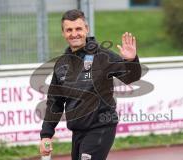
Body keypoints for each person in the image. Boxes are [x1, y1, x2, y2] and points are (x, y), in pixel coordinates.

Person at [39, 9, 141, 160]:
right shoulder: (61, 64)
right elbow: (55, 102)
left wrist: (131, 61)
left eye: (78, 28)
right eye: (69, 30)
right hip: (78, 131)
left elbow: (131, 77)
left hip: (100, 128)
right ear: (63, 33)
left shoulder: (102, 56)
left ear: (86, 29)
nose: (74, 34)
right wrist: (46, 135)